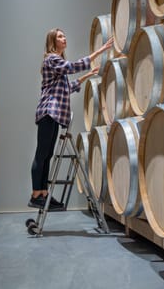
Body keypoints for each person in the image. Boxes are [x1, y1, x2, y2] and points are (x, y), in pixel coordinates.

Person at [28, 28, 113, 209]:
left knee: (48, 155)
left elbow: (68, 87)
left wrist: (88, 76)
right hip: (48, 112)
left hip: (55, 115)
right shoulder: (51, 59)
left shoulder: (58, 64)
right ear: (52, 41)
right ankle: (36, 194)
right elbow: (71, 67)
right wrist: (100, 50)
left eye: (64, 35)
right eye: (60, 36)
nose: (64, 38)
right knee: (41, 153)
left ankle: (43, 193)